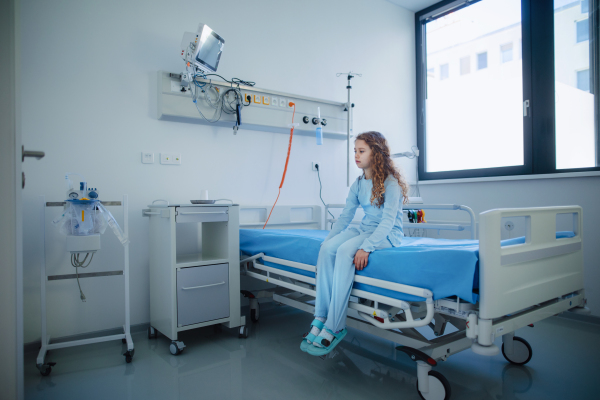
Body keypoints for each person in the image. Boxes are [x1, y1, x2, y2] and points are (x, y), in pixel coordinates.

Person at [301, 131, 409, 356]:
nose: (356, 156)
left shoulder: (391, 183)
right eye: (355, 151)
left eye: (362, 151)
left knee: (344, 252)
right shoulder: (359, 184)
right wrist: (328, 239)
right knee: (328, 249)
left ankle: (335, 325)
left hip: (388, 235)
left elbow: (388, 221)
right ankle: (320, 316)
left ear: (376, 153)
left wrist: (366, 247)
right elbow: (345, 217)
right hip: (366, 229)